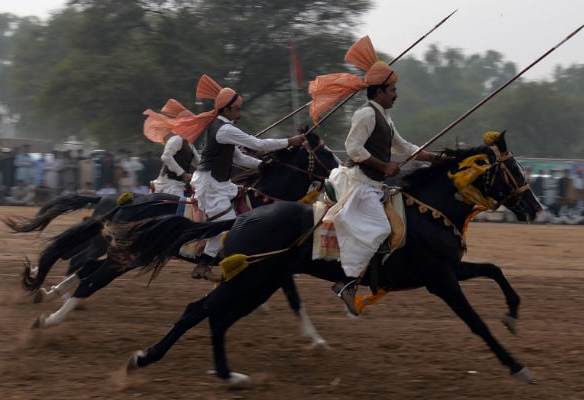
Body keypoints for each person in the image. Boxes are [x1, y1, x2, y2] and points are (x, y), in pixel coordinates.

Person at [309, 36, 442, 315]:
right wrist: (384, 167)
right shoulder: (366, 114)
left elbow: (403, 147)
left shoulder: (384, 115)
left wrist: (435, 157)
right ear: (379, 91)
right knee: (381, 229)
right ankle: (347, 283)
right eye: (392, 89)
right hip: (358, 183)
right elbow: (352, 147)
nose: (396, 94)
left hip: (373, 184)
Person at [167, 74, 305, 281]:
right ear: (226, 110)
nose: (240, 113)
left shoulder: (222, 128)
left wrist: (262, 165)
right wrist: (289, 141)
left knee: (227, 225)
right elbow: (257, 145)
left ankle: (204, 265)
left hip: (218, 183)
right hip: (210, 186)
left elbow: (238, 157)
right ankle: (212, 263)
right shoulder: (224, 129)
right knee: (231, 226)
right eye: (237, 109)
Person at [143, 99, 201, 197]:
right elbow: (166, 157)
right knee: (181, 209)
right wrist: (183, 174)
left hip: (180, 186)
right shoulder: (176, 139)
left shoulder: (189, 144)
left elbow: (198, 163)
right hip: (169, 186)